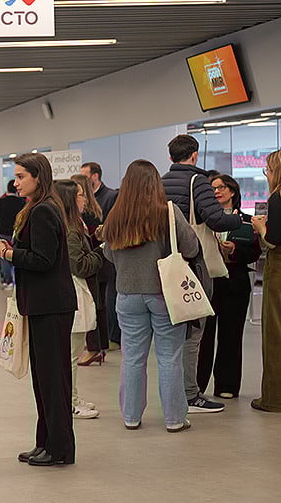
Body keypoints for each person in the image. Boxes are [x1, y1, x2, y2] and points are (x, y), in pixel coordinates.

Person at [0, 153, 76, 466]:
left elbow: (44, 259)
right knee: (43, 380)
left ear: (38, 177)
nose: (16, 183)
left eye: (20, 177)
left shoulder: (43, 211)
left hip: (51, 306)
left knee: (53, 380)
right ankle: (46, 442)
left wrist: (10, 254)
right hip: (41, 305)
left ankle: (60, 448)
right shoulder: (35, 209)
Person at [104, 159, 200, 433]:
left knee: (133, 357)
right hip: (164, 295)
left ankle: (131, 416)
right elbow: (191, 248)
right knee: (169, 357)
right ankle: (174, 419)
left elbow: (109, 254)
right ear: (155, 183)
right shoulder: (168, 212)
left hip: (127, 295)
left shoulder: (116, 216)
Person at [162, 134, 241, 414]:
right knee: (194, 331)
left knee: (170, 333)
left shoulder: (160, 183)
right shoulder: (199, 181)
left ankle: (173, 393)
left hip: (167, 265)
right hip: (195, 264)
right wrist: (238, 219)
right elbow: (215, 217)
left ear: (171, 157)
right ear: (194, 155)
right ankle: (190, 394)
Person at [196, 174, 261, 400]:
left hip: (235, 283)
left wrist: (233, 249)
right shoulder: (203, 219)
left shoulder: (246, 221)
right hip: (208, 282)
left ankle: (227, 385)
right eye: (212, 188)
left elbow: (254, 252)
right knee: (203, 337)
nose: (216, 191)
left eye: (221, 187)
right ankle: (197, 385)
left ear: (232, 191)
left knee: (231, 336)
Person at [53, 180, 101, 419]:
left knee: (72, 352)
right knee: (70, 355)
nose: (85, 199)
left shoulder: (75, 225)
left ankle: (71, 396)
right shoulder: (70, 230)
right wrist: (100, 252)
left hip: (76, 293)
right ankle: (69, 402)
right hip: (73, 294)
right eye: (81, 195)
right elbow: (80, 265)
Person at [80, 162, 122, 354]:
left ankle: (110, 339)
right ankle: (102, 343)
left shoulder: (110, 196)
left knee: (108, 299)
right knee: (100, 301)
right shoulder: (92, 201)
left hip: (107, 255)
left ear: (95, 176)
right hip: (98, 256)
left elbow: (112, 225)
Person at [251, 149, 281, 412]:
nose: (267, 175)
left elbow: (273, 240)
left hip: (279, 269)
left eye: (268, 170)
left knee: (274, 334)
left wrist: (261, 226)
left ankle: (273, 398)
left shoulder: (277, 197)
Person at [70, 173, 111, 364]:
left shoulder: (83, 215)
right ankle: (99, 346)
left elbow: (84, 254)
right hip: (98, 264)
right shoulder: (93, 210)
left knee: (95, 306)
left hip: (94, 266)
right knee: (98, 306)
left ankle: (94, 346)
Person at [0, 179, 26, 290]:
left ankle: (7, 280)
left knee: (4, 256)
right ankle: (16, 281)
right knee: (15, 256)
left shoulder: (0, 202)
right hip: (17, 233)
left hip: (2, 232)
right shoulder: (22, 202)